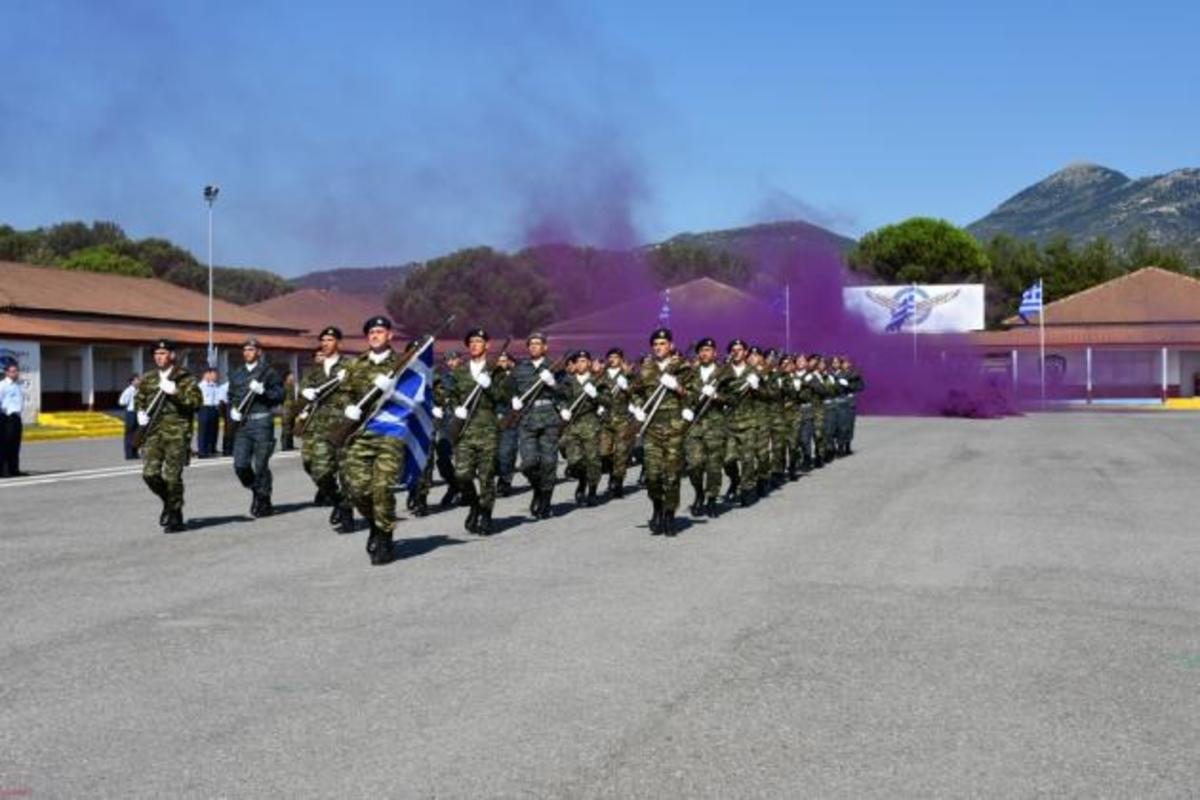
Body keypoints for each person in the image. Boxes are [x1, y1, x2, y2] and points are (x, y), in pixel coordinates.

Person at [337, 316, 409, 564]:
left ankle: (385, 536)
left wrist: (394, 389)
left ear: (390, 335)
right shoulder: (356, 365)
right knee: (357, 489)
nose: (375, 335)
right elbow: (344, 395)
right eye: (371, 332)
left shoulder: (404, 365)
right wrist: (349, 408)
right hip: (361, 433)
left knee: (382, 489)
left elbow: (418, 397)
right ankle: (375, 524)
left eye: (380, 331)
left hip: (391, 432)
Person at [444, 328, 511, 535]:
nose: (474, 344)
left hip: (487, 428)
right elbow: (451, 395)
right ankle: (475, 505)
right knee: (462, 475)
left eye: (478, 341)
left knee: (486, 476)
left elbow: (503, 398)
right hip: (464, 429)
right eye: (471, 341)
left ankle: (486, 515)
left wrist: (489, 386)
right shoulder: (459, 372)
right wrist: (455, 408)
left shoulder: (495, 370)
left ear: (487, 345)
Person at [135, 340, 202, 531]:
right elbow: (139, 400)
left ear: (172, 355)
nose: (158, 356)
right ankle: (169, 501)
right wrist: (140, 413)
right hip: (153, 433)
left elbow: (196, 403)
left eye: (163, 353)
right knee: (150, 474)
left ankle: (175, 514)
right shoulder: (148, 378)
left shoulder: (184, 378)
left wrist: (175, 392)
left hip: (177, 434)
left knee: (172, 477)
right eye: (156, 353)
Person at [631, 327, 692, 536]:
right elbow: (636, 392)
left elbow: (693, 396)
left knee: (672, 476)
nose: (658, 347)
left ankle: (669, 513)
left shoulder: (683, 367)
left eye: (663, 344)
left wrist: (678, 388)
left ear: (671, 345)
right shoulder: (646, 368)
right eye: (655, 344)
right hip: (652, 427)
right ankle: (657, 505)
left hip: (674, 427)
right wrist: (638, 407)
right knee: (652, 476)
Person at [298, 328, 353, 532]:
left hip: (345, 425)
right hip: (320, 426)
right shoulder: (315, 371)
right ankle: (338, 500)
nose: (325, 343)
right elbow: (303, 389)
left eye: (330, 340)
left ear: (338, 342)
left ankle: (346, 511)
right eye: (323, 340)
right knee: (319, 471)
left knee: (347, 473)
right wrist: (306, 391)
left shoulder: (350, 366)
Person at [227, 338, 285, 517]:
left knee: (260, 465)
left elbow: (279, 395)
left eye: (251, 350)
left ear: (258, 352)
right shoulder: (237, 373)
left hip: (262, 422)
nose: (247, 353)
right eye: (245, 350)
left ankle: (263, 499)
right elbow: (231, 395)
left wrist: (264, 392)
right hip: (243, 424)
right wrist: (233, 410)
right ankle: (257, 491)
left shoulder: (269, 373)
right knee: (240, 465)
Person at [511, 332, 563, 520]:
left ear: (545, 347)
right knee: (528, 463)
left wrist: (553, 383)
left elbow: (566, 392)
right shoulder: (520, 368)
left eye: (537, 343)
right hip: (527, 418)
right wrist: (513, 400)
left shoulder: (555, 367)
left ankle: (546, 501)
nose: (533, 346)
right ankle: (537, 490)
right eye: (531, 344)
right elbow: (510, 388)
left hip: (549, 417)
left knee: (549, 462)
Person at [683, 337, 732, 518]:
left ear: (715, 353)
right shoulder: (690, 373)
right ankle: (699, 493)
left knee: (713, 467)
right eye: (701, 350)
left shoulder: (724, 373)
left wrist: (717, 396)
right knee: (694, 465)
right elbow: (682, 394)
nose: (704, 353)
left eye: (708, 350)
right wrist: (685, 410)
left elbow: (732, 398)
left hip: (715, 426)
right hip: (694, 426)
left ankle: (711, 498)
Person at [558, 349, 606, 507]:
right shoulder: (568, 380)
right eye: (578, 361)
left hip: (590, 423)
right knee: (574, 461)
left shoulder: (597, 380)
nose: (580, 364)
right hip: (573, 424)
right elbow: (561, 398)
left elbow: (608, 401)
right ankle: (582, 480)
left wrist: (596, 396)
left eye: (584, 361)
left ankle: (591, 489)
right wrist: (563, 409)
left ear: (589, 363)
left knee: (593, 459)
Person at [722, 339, 759, 507]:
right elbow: (721, 393)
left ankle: (747, 489)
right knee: (728, 460)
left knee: (747, 459)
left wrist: (757, 387)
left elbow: (768, 396)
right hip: (729, 422)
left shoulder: (754, 371)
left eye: (740, 349)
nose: (736, 352)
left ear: (745, 352)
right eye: (733, 349)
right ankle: (735, 481)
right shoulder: (724, 372)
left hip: (749, 423)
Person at [597, 347, 634, 499]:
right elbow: (595, 392)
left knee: (621, 453)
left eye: (616, 357)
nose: (613, 359)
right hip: (605, 419)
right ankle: (612, 473)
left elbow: (636, 392)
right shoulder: (602, 376)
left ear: (621, 359)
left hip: (622, 419)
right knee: (604, 452)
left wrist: (627, 387)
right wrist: (598, 405)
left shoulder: (628, 375)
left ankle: (617, 482)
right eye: (610, 356)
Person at [494, 351, 518, 497]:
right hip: (493, 418)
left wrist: (517, 398)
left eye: (504, 360)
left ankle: (505, 481)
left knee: (507, 452)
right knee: (494, 454)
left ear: (511, 362)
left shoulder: (517, 377)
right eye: (499, 360)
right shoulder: (492, 377)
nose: (501, 363)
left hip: (510, 418)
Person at [0, 360, 25, 478]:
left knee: (15, 445)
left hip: (16, 417)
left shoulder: (17, 385)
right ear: (7, 373)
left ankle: (14, 469)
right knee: (5, 445)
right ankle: (3, 471)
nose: (16, 373)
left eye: (16, 371)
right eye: (13, 371)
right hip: (6, 418)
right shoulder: (2, 385)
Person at [196, 368, 222, 457]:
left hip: (214, 408)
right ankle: (202, 451)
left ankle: (210, 449)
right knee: (203, 431)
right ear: (207, 374)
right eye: (214, 375)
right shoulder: (200, 386)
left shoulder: (215, 385)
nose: (215, 377)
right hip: (204, 408)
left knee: (213, 430)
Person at [118, 374, 141, 460]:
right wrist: (129, 403)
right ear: (132, 382)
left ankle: (135, 452)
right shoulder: (128, 391)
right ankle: (129, 454)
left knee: (137, 434)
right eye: (137, 380)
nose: (139, 381)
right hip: (130, 413)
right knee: (129, 434)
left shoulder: (138, 390)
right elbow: (121, 402)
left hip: (137, 412)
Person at [280, 372, 298, 451]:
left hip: (292, 409)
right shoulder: (284, 386)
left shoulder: (292, 386)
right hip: (286, 410)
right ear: (287, 377)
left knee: (291, 427)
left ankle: (290, 445)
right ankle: (284, 446)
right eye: (291, 376)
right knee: (286, 428)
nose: (293, 377)